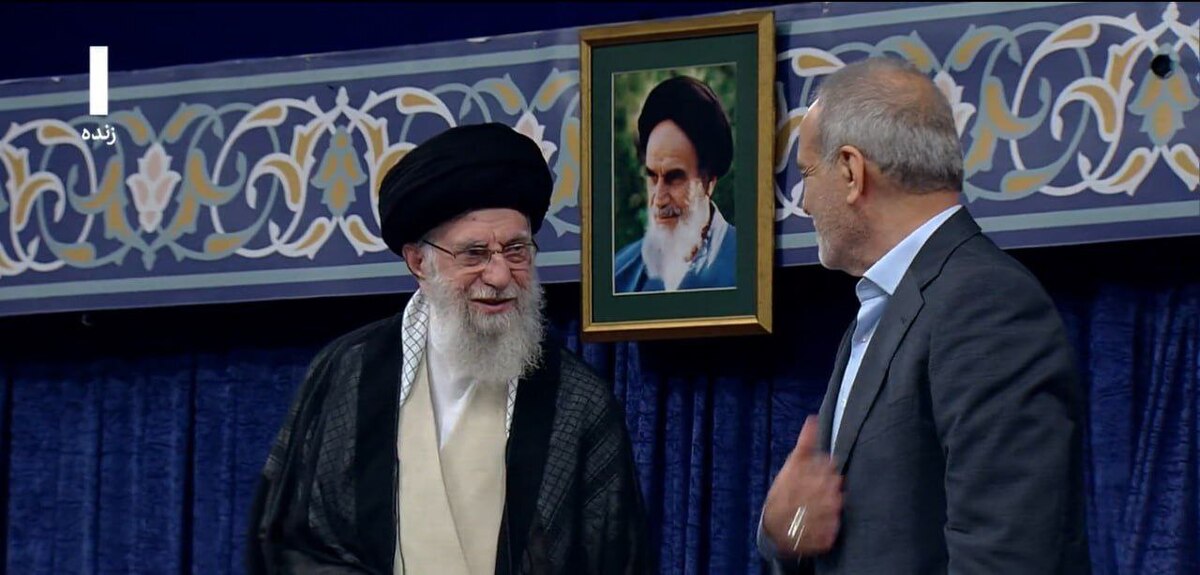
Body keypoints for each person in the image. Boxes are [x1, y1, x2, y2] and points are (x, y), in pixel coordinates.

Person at [246, 123, 650, 575]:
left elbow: (617, 558)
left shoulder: (577, 401)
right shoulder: (346, 373)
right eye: (474, 254)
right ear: (419, 262)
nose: (500, 276)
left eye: (516, 251)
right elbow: (289, 541)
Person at [757, 57, 1090, 574]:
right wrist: (789, 532)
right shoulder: (884, 309)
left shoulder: (987, 305)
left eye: (806, 173)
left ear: (850, 171)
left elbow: (1006, 558)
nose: (803, 203)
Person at [614, 74, 737, 293]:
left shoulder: (748, 263)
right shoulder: (619, 275)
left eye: (674, 178)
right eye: (653, 177)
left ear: (709, 181)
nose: (659, 200)